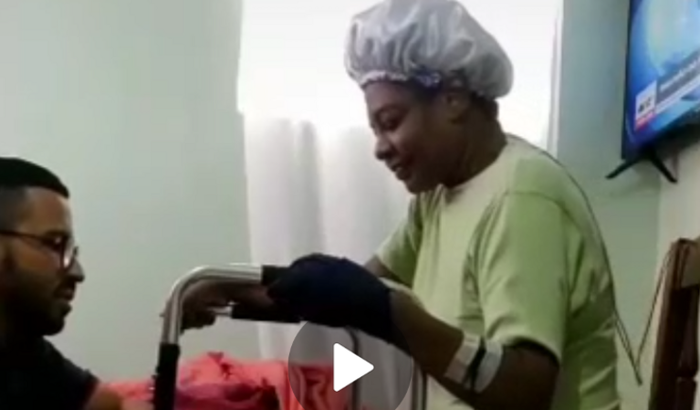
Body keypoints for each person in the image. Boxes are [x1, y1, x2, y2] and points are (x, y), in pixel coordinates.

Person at [0, 157, 148, 410]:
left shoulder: (22, 350)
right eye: (54, 244)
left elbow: (114, 406)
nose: (77, 273)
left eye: (71, 252)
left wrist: (176, 313)